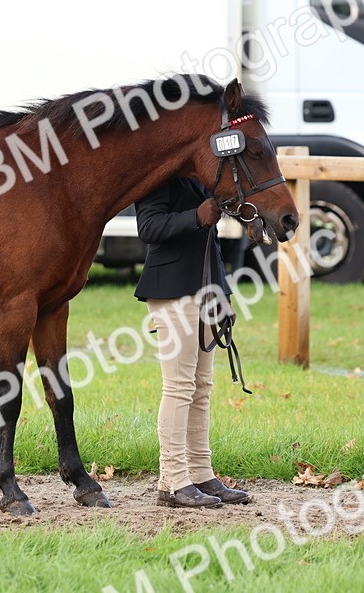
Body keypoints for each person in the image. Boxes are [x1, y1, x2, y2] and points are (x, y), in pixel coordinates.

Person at [134, 177, 252, 508]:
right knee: (179, 387)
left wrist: (223, 293)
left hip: (205, 291)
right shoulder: (159, 175)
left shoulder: (201, 178)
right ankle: (174, 481)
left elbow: (209, 244)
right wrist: (196, 216)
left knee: (202, 387)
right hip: (170, 289)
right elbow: (148, 227)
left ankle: (200, 474)